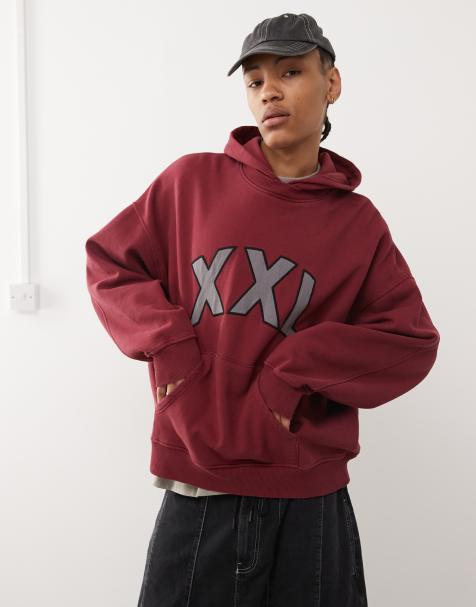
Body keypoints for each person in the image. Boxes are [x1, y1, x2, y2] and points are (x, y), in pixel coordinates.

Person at [84, 12, 440, 607]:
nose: (269, 91)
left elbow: (411, 342)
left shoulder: (358, 224)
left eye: (290, 72)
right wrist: (171, 346)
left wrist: (291, 371)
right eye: (254, 81)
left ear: (331, 84)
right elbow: (110, 263)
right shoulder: (190, 184)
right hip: (198, 491)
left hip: (310, 501)